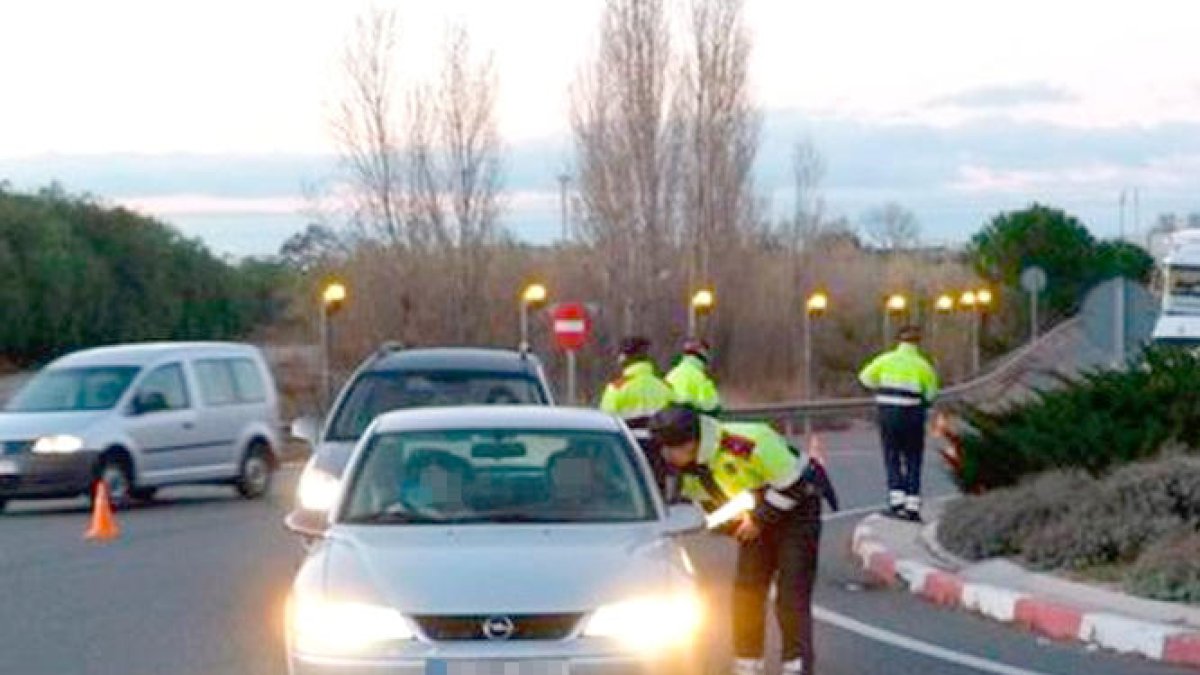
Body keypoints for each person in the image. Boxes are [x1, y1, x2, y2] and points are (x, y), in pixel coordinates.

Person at [650, 405, 838, 675]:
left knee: (791, 594)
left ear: (692, 442)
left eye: (672, 449)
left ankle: (796, 665)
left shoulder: (747, 442)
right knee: (746, 593)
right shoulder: (689, 466)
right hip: (755, 518)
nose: (667, 456)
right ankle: (747, 664)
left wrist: (759, 519)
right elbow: (708, 507)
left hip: (797, 508)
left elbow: (793, 485)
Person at [857, 325, 939, 522]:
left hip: (888, 415)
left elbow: (865, 378)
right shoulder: (923, 366)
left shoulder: (885, 360)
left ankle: (896, 503)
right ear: (918, 343)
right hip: (912, 416)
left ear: (898, 341)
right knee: (913, 458)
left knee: (892, 456)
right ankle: (912, 506)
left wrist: (882, 387)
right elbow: (931, 394)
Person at [599, 336, 676, 492]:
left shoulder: (616, 388)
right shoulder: (665, 387)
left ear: (624, 360)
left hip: (626, 454)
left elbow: (604, 423)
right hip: (658, 453)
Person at [665, 337, 722, 414]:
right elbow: (712, 406)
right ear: (704, 356)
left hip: (669, 422)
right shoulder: (700, 378)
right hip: (691, 422)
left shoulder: (671, 374)